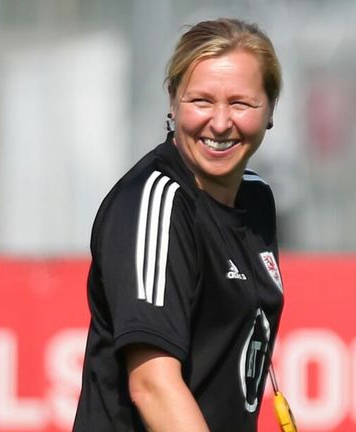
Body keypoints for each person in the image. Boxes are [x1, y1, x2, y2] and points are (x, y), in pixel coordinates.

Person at [74, 18, 284, 431]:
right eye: (201, 101)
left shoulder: (257, 198)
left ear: (270, 110)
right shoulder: (155, 204)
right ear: (172, 102)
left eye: (241, 103)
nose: (221, 123)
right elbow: (153, 386)